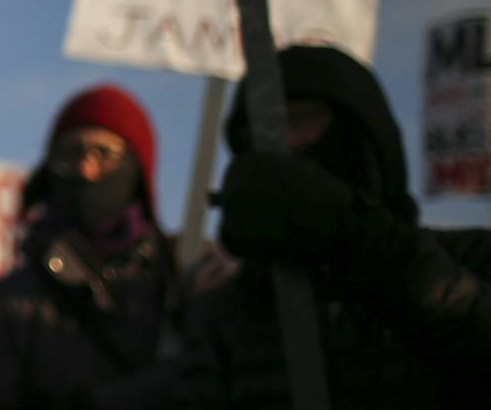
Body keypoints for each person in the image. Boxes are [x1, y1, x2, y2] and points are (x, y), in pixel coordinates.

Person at [173, 44, 491, 407]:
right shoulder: (233, 312)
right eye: (260, 133)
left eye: (297, 120)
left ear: (361, 131)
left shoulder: (469, 259)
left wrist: (363, 243)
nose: (278, 147)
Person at [0, 84, 178, 409]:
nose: (87, 170)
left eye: (104, 154)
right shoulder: (3, 309)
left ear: (137, 169)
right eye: (71, 153)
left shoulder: (186, 283)